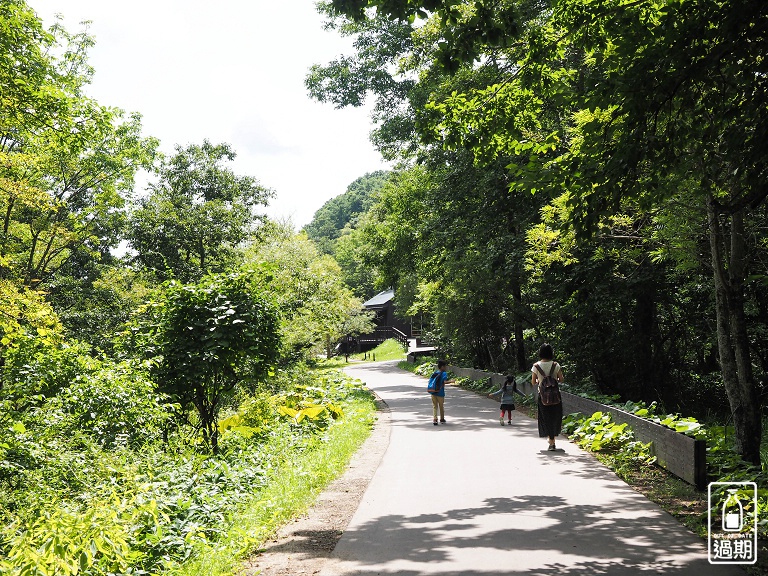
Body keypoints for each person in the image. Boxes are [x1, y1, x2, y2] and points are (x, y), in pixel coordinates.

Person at [531, 343, 564, 451]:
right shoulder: (556, 365)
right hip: (555, 395)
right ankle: (553, 439)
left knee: (546, 417)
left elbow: (533, 382)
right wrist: (554, 380)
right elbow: (561, 379)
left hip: (543, 396)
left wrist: (539, 381)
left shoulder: (536, 366)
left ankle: (551, 440)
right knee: (556, 416)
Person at [430, 360, 454, 425]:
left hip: (433, 392)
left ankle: (435, 419)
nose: (446, 368)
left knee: (435, 406)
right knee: (441, 406)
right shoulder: (444, 373)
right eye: (445, 366)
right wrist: (451, 381)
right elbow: (444, 382)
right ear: (442, 367)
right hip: (440, 393)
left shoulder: (435, 372)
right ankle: (442, 419)